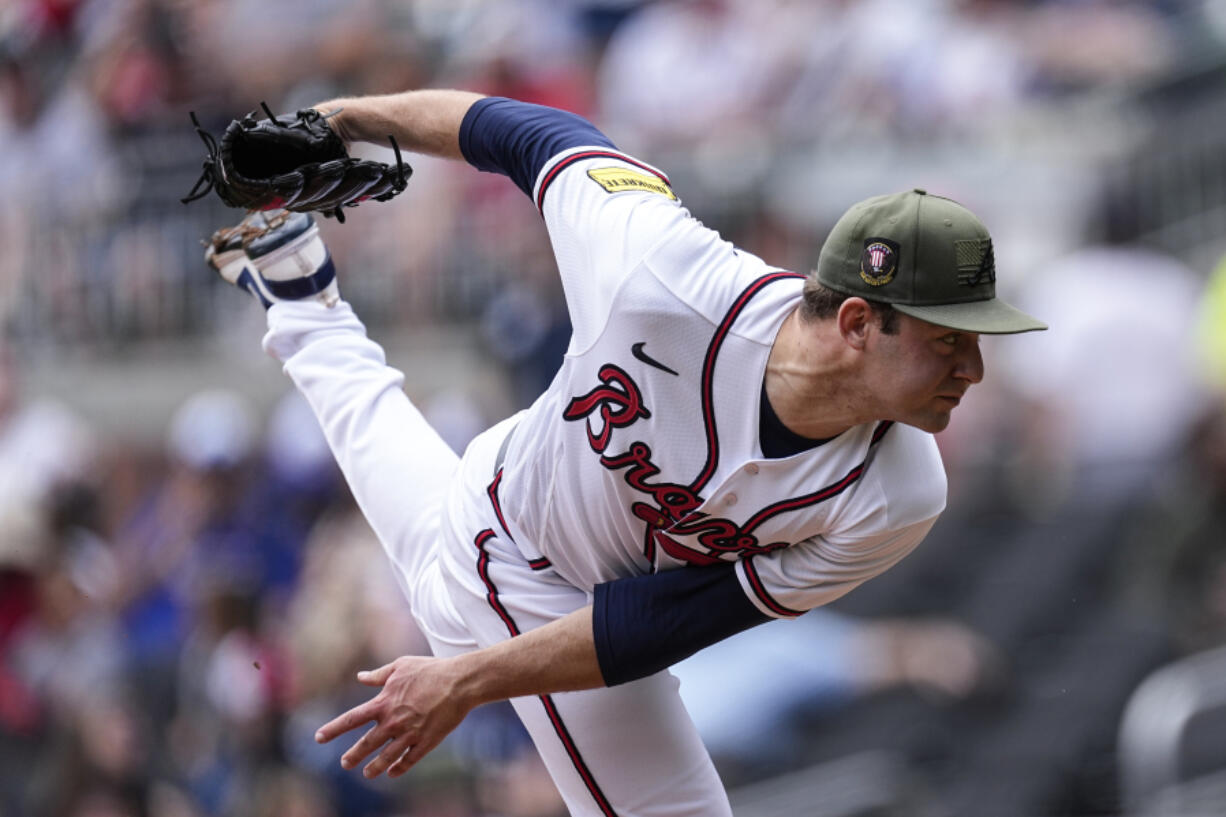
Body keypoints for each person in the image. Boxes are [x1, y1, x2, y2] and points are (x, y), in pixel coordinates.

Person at [204, 90, 1045, 817]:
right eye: (948, 341)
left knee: (407, 498)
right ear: (860, 324)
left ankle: (300, 296)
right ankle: (304, 302)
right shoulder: (664, 272)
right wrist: (347, 121)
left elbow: (666, 622)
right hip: (520, 553)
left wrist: (466, 678)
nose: (973, 367)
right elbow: (531, 134)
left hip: (573, 578)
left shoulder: (898, 492)